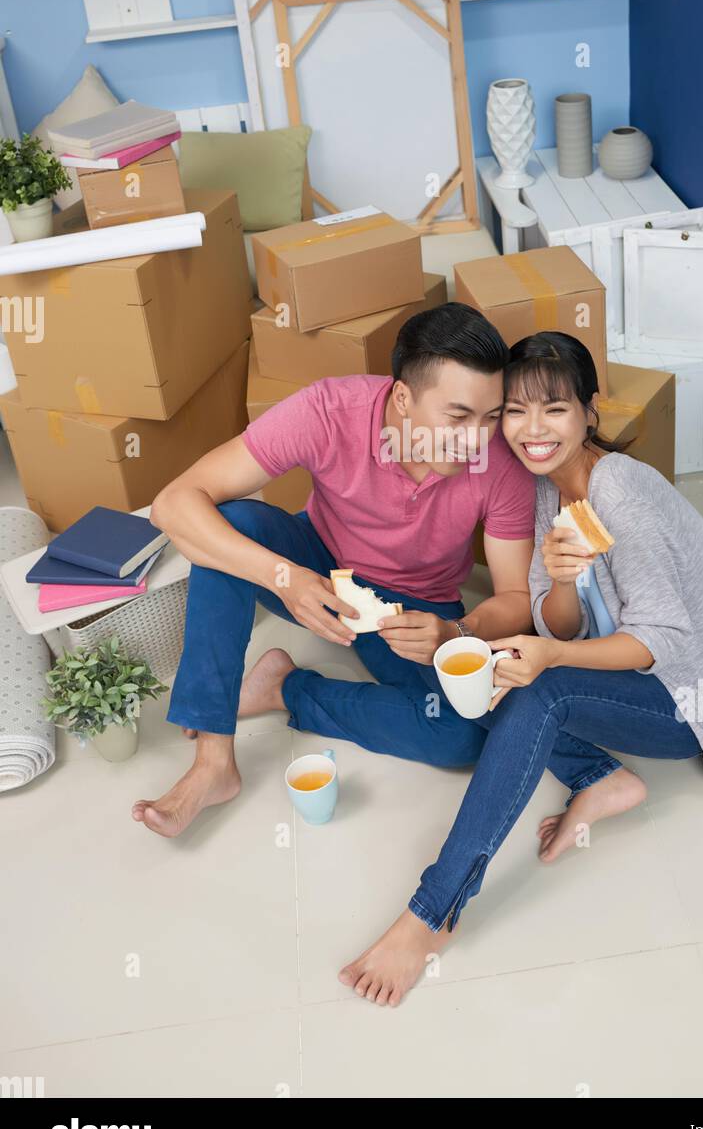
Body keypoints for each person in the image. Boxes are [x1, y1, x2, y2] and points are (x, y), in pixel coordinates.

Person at [340, 330, 703, 1008]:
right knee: (502, 670)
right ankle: (600, 779)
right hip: (634, 678)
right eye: (514, 411)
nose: (530, 429)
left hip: (687, 704)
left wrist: (549, 656)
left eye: (553, 409)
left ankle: (432, 912)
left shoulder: (621, 498)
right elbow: (560, 623)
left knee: (539, 685)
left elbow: (656, 641)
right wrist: (553, 592)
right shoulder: (551, 490)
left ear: (589, 410)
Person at [132, 303, 536, 837]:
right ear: (402, 398)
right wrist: (286, 579)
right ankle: (213, 761)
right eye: (458, 417)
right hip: (319, 565)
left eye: (489, 417)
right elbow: (174, 503)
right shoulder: (329, 410)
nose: (476, 440)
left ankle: (287, 690)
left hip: (417, 607)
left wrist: (455, 630)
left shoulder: (502, 465)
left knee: (462, 735)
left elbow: (515, 597)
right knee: (227, 523)